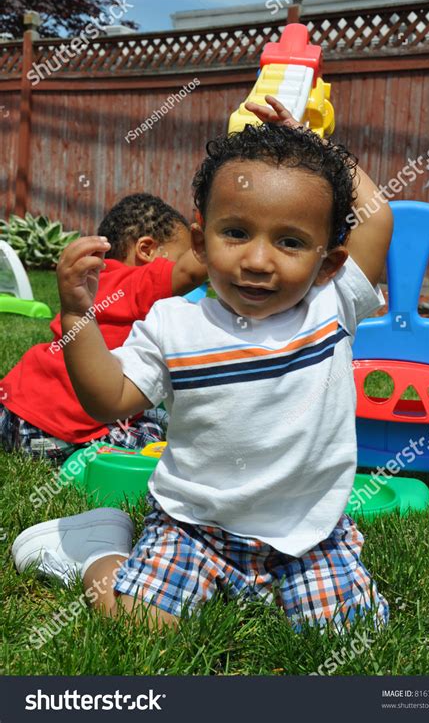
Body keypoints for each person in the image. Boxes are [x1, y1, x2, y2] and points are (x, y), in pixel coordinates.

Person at [13, 98, 393, 632]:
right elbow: (109, 398)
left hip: (308, 532)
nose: (257, 260)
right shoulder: (174, 324)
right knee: (141, 625)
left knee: (351, 632)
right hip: (193, 526)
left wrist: (313, 145)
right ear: (200, 241)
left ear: (327, 262)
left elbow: (378, 219)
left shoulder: (333, 304)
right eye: (235, 233)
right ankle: (98, 548)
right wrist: (78, 314)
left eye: (289, 242)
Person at [0, 193, 207, 463]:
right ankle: (89, 456)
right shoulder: (139, 283)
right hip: (56, 431)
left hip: (12, 413)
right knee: (156, 432)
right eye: (179, 255)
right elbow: (192, 270)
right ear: (146, 250)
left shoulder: (94, 281)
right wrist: (225, 228)